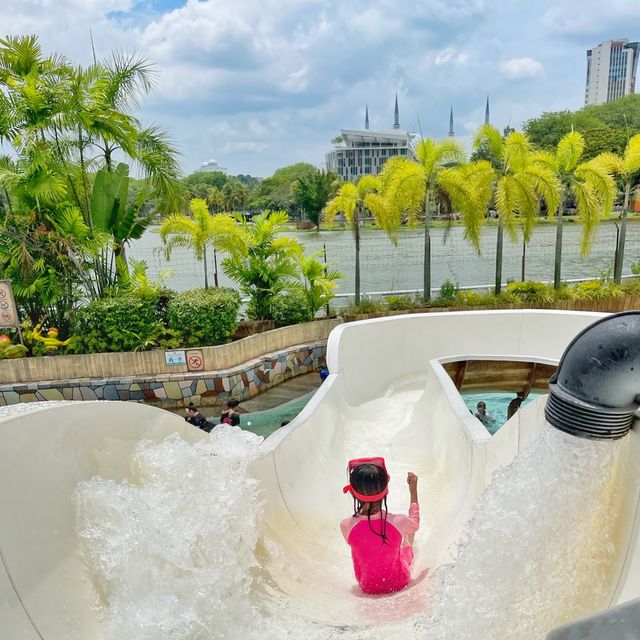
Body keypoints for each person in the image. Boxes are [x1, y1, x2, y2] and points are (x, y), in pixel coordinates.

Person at [340, 457, 420, 595]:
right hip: (399, 582)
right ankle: (407, 550)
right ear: (386, 491)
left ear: (352, 492)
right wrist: (413, 491)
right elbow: (415, 523)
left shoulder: (346, 525)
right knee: (408, 537)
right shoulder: (398, 521)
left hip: (367, 587)